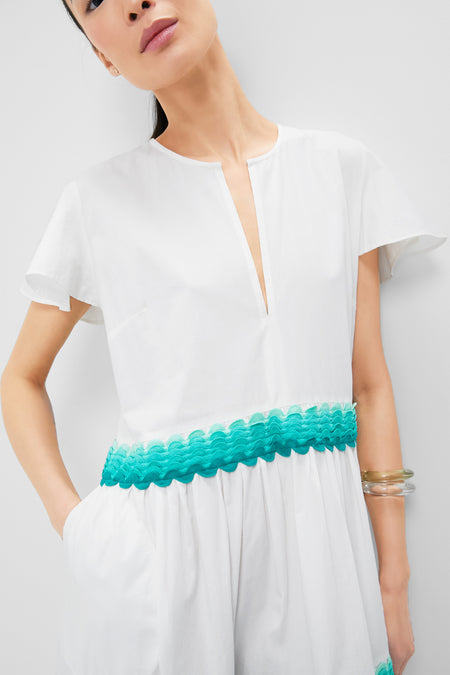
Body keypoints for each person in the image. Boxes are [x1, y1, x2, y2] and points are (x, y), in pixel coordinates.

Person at [1, 1, 447, 674]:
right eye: (94, 2)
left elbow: (369, 384)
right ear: (101, 55)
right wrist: (79, 526)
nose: (132, 3)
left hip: (321, 571)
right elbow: (20, 379)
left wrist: (393, 577)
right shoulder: (97, 204)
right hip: (160, 581)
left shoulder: (339, 169)